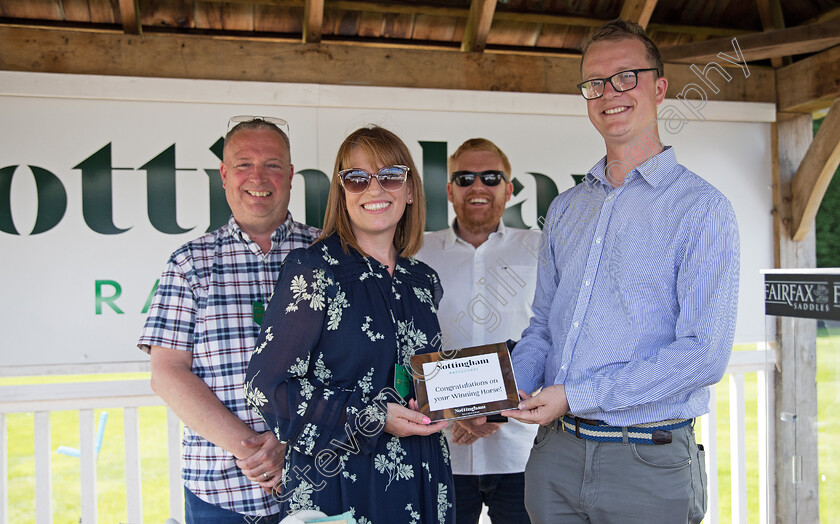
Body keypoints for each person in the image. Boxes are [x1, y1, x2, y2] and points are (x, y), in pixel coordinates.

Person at [502, 19, 740, 524]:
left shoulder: (701, 209)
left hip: (646, 463)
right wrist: (508, 388)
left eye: (626, 76)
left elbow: (704, 355)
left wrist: (577, 396)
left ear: (659, 87)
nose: (610, 93)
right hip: (555, 459)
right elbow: (543, 326)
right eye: (595, 83)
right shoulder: (566, 209)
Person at [244, 125, 455, 523]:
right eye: (356, 179)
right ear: (342, 194)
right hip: (341, 483)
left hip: (423, 471)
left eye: (390, 176)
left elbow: (420, 375)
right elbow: (265, 387)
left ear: (410, 190)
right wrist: (372, 416)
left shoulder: (422, 280)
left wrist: (458, 403)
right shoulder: (312, 270)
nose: (374, 190)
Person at [138, 116, 320, 522]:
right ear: (224, 174)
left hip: (323, 484)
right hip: (221, 491)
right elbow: (167, 372)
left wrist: (289, 440)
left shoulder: (329, 253)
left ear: (290, 175)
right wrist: (251, 449)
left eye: (272, 164)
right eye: (243, 164)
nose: (258, 176)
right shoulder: (190, 263)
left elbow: (355, 364)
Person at [416, 138, 539, 524]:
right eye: (465, 178)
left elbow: (550, 339)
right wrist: (456, 415)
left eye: (491, 177)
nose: (478, 187)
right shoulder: (417, 253)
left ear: (510, 188)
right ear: (450, 190)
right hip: (441, 449)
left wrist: (488, 411)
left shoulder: (541, 249)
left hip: (523, 451)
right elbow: (406, 345)